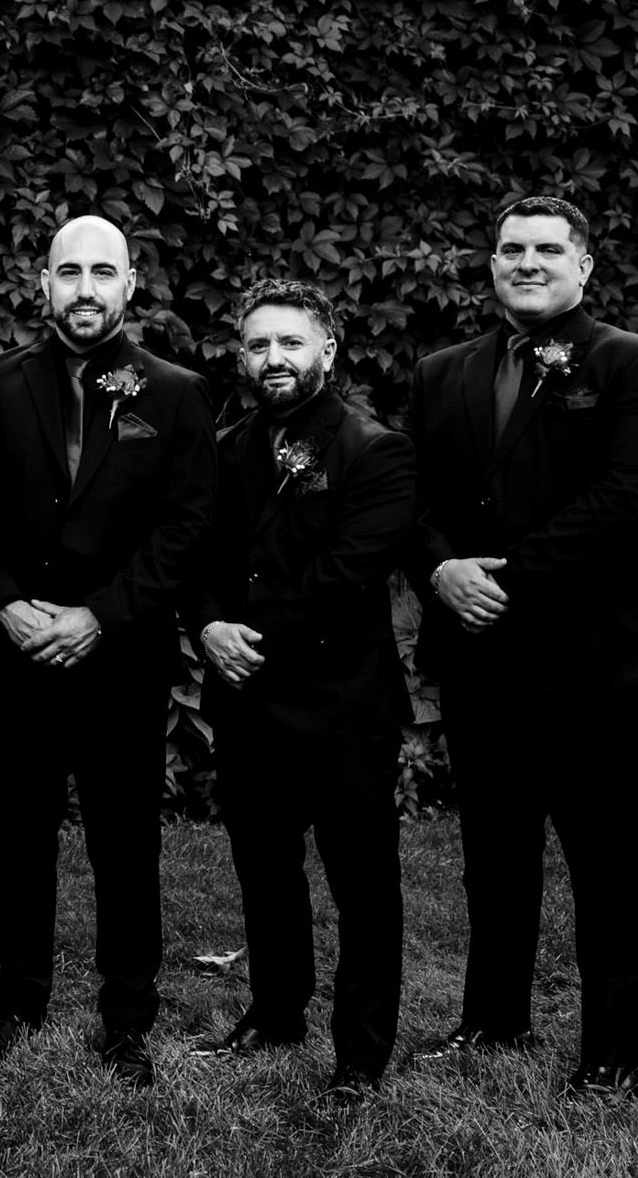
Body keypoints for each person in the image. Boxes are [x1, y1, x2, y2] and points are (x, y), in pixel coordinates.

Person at [406, 196, 638, 1099]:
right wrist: (442, 569)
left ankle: (613, 1053)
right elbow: (406, 496)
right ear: (491, 265)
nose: (527, 263)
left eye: (547, 249)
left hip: (590, 659)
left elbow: (624, 499)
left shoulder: (635, 365)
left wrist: (504, 578)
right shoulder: (440, 372)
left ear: (584, 265)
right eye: (510, 249)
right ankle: (494, 1020)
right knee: (494, 852)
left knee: (605, 860)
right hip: (480, 659)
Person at [0, 216, 215, 1087]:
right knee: (19, 835)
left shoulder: (175, 392)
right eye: (68, 271)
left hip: (120, 657)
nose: (85, 288)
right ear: (42, 282)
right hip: (17, 650)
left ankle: (127, 1016)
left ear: (131, 283)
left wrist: (100, 615)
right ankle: (19, 998)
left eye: (103, 271)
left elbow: (184, 529)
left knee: (125, 839)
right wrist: (6, 605)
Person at [189, 280, 415, 1102]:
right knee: (266, 867)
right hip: (247, 700)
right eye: (258, 345)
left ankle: (360, 1051)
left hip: (341, 704)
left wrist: (252, 637)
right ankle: (277, 1011)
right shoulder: (228, 444)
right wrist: (208, 624)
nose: (273, 358)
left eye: (290, 342)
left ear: (327, 347)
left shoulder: (373, 447)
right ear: (241, 356)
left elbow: (348, 572)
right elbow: (200, 557)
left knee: (362, 881)